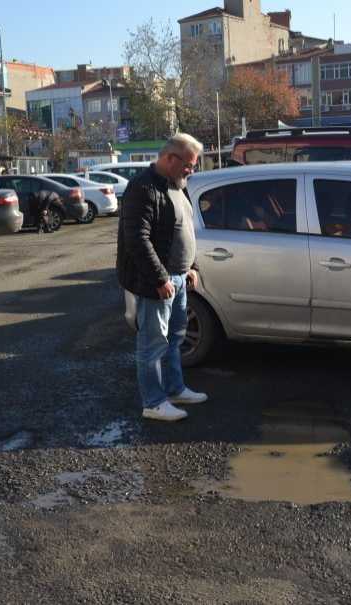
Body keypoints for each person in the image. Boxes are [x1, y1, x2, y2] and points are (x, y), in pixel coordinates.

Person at [117, 133, 209, 422]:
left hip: (178, 278)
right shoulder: (142, 188)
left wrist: (190, 266)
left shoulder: (177, 186)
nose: (191, 171)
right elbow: (137, 239)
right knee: (153, 343)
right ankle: (154, 403)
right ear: (171, 158)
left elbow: (184, 230)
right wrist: (160, 279)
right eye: (189, 165)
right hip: (156, 283)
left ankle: (175, 389)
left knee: (174, 339)